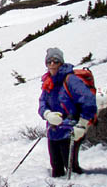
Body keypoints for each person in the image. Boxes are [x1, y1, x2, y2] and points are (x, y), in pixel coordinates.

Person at [38, 47, 97, 178]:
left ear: (61, 62)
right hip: (53, 131)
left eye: (56, 61)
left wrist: (82, 124)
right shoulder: (48, 82)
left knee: (72, 169)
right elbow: (42, 103)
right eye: (49, 61)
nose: (52, 64)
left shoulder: (71, 80)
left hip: (71, 131)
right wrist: (47, 114)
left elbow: (89, 100)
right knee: (56, 168)